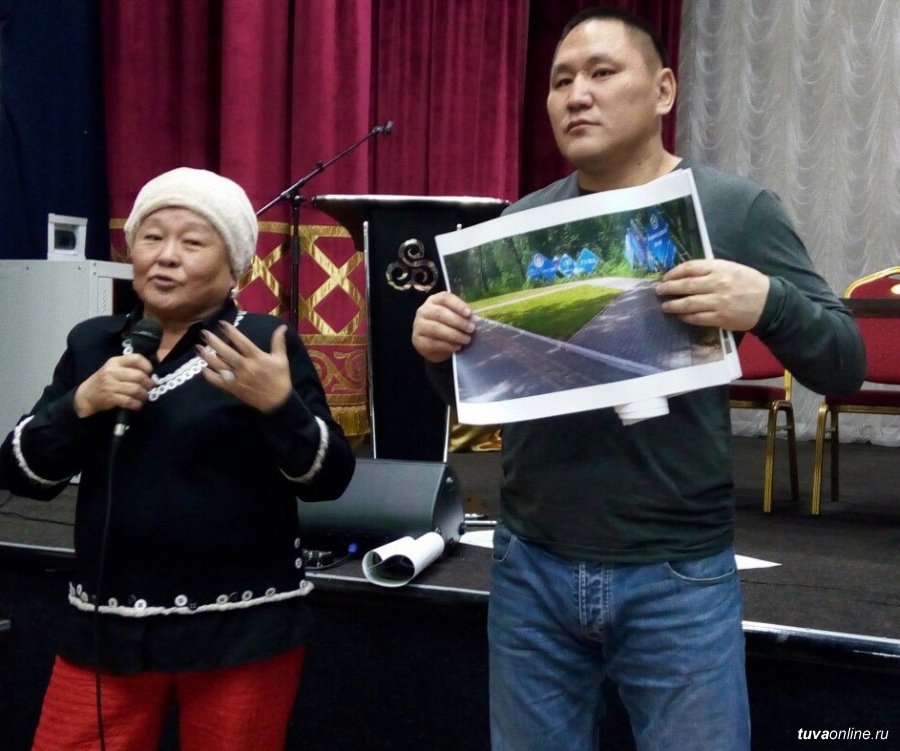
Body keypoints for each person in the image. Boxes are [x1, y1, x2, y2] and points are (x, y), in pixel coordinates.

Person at [411, 7, 865, 751]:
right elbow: (479, 401)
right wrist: (441, 352)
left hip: (675, 573)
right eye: (561, 81)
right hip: (531, 565)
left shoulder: (735, 209)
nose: (576, 96)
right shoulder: (521, 223)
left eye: (601, 73)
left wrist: (769, 301)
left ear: (663, 90)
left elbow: (844, 362)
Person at [0, 167, 356, 751]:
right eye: (151, 237)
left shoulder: (262, 343)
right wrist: (80, 404)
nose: (166, 256)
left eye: (192, 242)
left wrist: (279, 406)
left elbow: (329, 478)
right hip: (107, 626)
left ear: (236, 267)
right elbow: (23, 475)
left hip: (239, 628)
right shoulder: (94, 343)